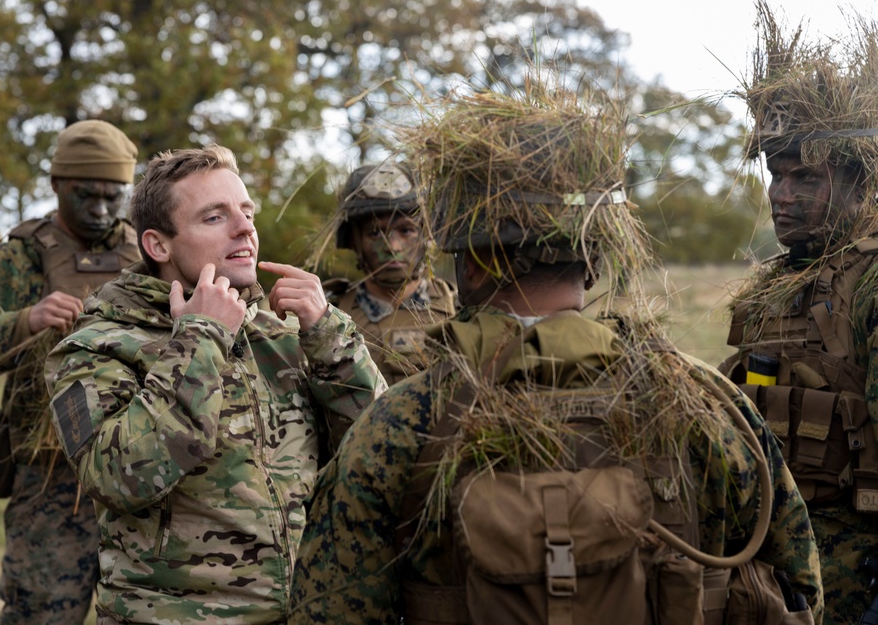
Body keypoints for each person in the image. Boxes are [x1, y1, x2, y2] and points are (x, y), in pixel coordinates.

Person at [289, 83, 823, 624]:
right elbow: (797, 588)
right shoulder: (708, 406)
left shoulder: (398, 426)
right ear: (594, 258)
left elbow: (328, 610)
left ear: (467, 264)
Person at [44, 144, 386, 624]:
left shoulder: (281, 330)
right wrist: (202, 338)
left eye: (247, 212)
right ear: (158, 245)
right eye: (214, 217)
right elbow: (119, 477)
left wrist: (331, 335)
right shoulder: (98, 345)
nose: (245, 227)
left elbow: (378, 455)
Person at [0, 119, 141, 624]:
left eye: (114, 195)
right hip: (53, 485)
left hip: (145, 474)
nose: (102, 208)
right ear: (57, 183)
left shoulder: (150, 253)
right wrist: (23, 323)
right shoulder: (17, 262)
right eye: (87, 194)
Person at [720, 0, 878, 625]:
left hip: (858, 574)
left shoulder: (870, 284)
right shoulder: (766, 287)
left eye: (804, 179)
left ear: (859, 181)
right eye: (774, 174)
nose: (781, 196)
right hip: (772, 569)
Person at [322, 161, 456, 384]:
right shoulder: (327, 317)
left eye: (406, 230)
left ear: (427, 236)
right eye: (375, 233)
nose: (392, 247)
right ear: (354, 241)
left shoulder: (458, 310)